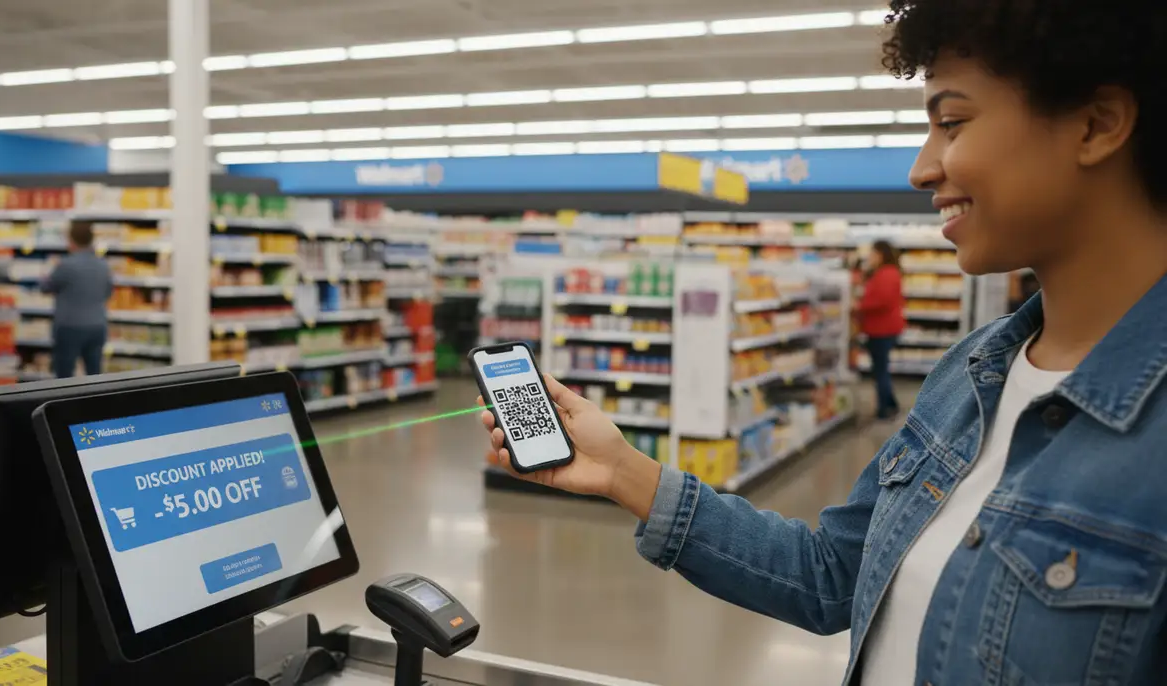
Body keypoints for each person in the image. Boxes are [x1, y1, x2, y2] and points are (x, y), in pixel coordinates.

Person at [480, 1, 1167, 683]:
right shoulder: (970, 372)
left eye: (951, 122)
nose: (922, 169)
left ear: (1096, 125)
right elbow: (831, 577)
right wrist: (623, 471)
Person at [44, 222, 112, 378]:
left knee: (64, 377)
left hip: (69, 326)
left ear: (71, 240)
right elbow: (108, 292)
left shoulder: (66, 265)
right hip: (97, 326)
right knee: (95, 376)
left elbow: (46, 287)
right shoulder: (103, 265)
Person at [857, 240, 905, 419]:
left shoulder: (886, 273)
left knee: (880, 370)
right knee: (881, 368)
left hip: (881, 329)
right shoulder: (885, 272)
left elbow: (881, 301)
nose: (869, 257)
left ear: (881, 254)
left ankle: (884, 409)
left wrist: (859, 306)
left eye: (872, 253)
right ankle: (891, 403)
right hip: (883, 327)